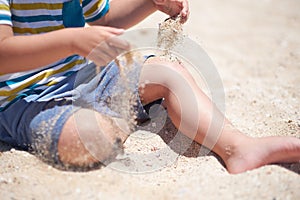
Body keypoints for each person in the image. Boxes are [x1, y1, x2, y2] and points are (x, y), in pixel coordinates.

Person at [0, 0, 299, 174]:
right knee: (88, 139)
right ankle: (116, 119)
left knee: (169, 73)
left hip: (84, 75)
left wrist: (150, 2)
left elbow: (104, 15)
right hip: (25, 97)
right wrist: (71, 41)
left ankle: (237, 146)